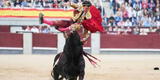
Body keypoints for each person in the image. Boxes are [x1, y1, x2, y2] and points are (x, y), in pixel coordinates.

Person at [39, 1, 105, 44]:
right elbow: (74, 5)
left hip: (79, 25)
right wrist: (69, 3)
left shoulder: (89, 15)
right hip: (72, 21)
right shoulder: (81, 7)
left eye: (86, 6)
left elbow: (87, 24)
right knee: (58, 22)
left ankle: (61, 29)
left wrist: (85, 36)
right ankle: (43, 21)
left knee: (74, 26)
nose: (84, 7)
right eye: (84, 5)